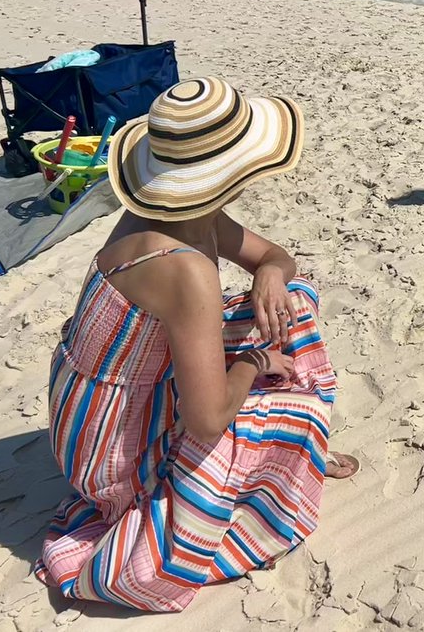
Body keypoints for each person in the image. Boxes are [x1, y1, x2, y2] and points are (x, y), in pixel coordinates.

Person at [34, 77, 358, 612]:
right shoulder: (183, 269)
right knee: (293, 413)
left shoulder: (177, 213)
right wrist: (255, 361)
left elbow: (274, 256)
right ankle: (283, 464)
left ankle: (290, 445)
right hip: (111, 443)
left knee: (291, 300)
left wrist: (269, 276)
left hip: (108, 393)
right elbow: (207, 419)